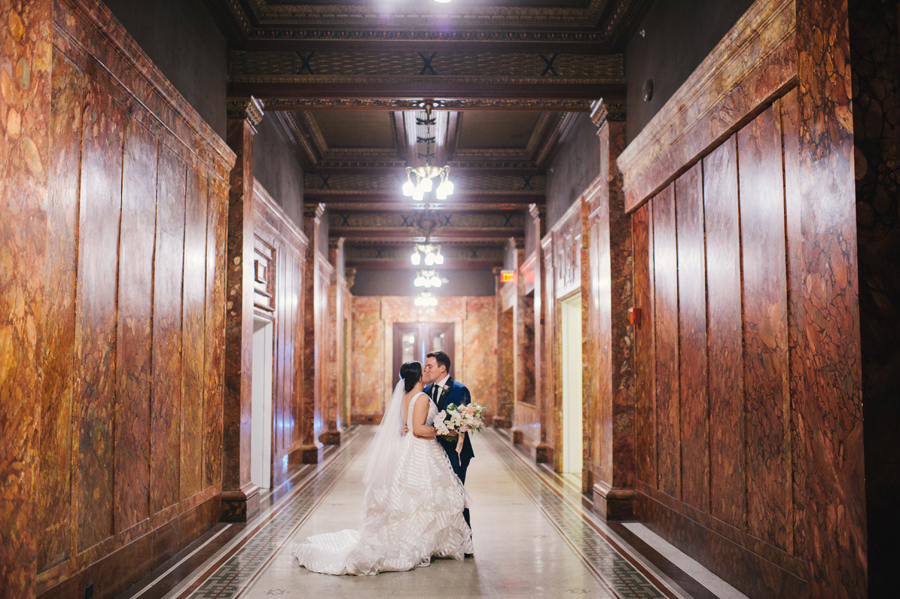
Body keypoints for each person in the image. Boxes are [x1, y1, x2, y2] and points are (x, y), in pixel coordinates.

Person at [292, 361, 472, 575]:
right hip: (421, 449)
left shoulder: (406, 396)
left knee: (413, 498)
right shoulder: (422, 397)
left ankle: (424, 540)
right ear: (417, 377)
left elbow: (408, 425)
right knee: (422, 496)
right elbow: (418, 430)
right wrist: (442, 430)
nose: (426, 372)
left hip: (408, 449)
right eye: (423, 370)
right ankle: (420, 542)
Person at [423, 350, 474, 528]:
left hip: (455, 452)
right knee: (437, 496)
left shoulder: (459, 389)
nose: (426, 370)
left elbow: (463, 422)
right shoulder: (426, 390)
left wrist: (451, 428)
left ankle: (465, 537)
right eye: (425, 366)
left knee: (457, 494)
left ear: (442, 368)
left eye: (430, 366)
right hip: (432, 452)